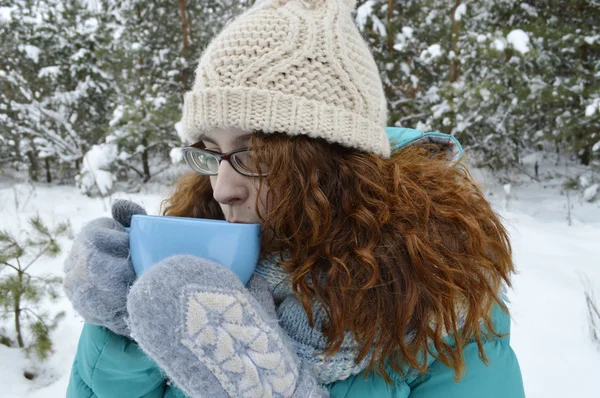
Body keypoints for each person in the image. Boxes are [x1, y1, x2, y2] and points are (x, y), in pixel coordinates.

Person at [63, 0, 525, 397]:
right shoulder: (189, 267)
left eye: (256, 153)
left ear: (338, 165)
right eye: (210, 153)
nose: (222, 189)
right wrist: (123, 327)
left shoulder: (434, 299)